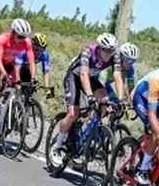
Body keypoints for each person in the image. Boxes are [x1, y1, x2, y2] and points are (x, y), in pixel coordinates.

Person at [49, 32, 121, 160]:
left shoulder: (114, 57)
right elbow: (83, 74)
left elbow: (117, 76)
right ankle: (57, 147)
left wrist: (120, 99)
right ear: (99, 48)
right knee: (73, 113)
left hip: (91, 78)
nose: (109, 54)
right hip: (74, 77)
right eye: (107, 51)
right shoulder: (88, 51)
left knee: (105, 102)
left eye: (112, 51)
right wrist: (90, 96)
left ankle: (86, 134)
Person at [0, 18, 35, 121]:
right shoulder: (3, 39)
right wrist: (4, 74)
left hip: (9, 63)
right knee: (2, 80)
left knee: (16, 84)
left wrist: (33, 78)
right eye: (20, 36)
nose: (22, 40)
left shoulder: (26, 43)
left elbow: (32, 61)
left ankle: (4, 107)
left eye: (24, 37)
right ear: (13, 32)